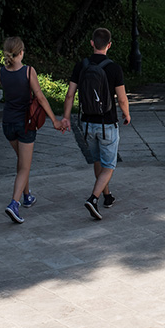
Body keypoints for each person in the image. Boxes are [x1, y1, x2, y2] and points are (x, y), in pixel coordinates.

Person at [61, 27, 131, 220]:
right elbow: (122, 99)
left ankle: (107, 196)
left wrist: (66, 117)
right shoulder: (114, 68)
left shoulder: (81, 66)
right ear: (109, 45)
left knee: (98, 160)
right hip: (107, 123)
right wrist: (127, 114)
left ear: (92, 43)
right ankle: (93, 198)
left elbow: (69, 95)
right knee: (109, 165)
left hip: (87, 123)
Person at [0, 36, 62, 224]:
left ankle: (27, 197)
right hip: (26, 124)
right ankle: (14, 204)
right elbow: (40, 97)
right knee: (24, 167)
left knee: (21, 162)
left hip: (7, 123)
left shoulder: (0, 72)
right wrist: (55, 121)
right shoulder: (28, 72)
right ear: (22, 52)